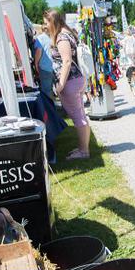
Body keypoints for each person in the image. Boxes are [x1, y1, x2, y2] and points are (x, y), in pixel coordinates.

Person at [44, 9, 92, 160]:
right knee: (81, 116)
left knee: (78, 118)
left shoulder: (61, 37)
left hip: (70, 82)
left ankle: (84, 151)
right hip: (77, 80)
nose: (45, 26)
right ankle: (83, 148)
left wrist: (60, 85)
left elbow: (66, 61)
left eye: (46, 23)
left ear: (53, 22)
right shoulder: (68, 33)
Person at [31, 24, 56, 97]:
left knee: (46, 90)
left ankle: (49, 107)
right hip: (55, 67)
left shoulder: (40, 38)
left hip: (45, 68)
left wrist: (36, 64)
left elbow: (38, 52)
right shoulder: (54, 36)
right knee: (57, 88)